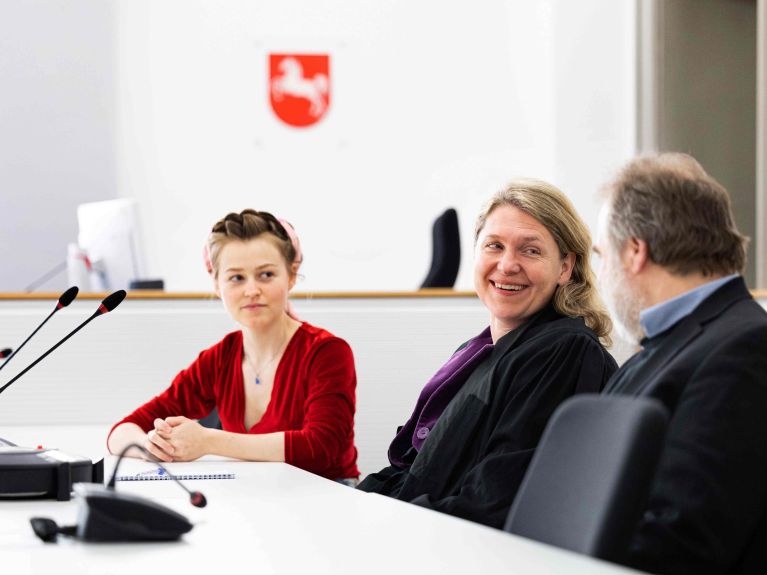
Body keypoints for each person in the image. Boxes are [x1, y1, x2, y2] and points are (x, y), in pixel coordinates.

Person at [357, 179, 618, 528]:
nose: (507, 265)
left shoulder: (564, 352)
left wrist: (389, 523)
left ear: (565, 267)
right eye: (494, 246)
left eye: (531, 250)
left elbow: (493, 498)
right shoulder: (476, 351)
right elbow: (414, 468)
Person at [594, 153, 767, 574]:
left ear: (635, 251)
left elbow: (681, 541)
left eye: (601, 255)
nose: (599, 274)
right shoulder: (662, 345)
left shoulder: (744, 348)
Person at [108, 209, 359, 482]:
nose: (251, 290)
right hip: (256, 497)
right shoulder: (219, 359)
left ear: (291, 275)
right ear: (216, 283)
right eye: (237, 278)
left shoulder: (327, 352)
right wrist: (151, 446)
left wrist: (208, 441)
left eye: (265, 275)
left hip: (329, 500)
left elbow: (321, 447)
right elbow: (121, 431)